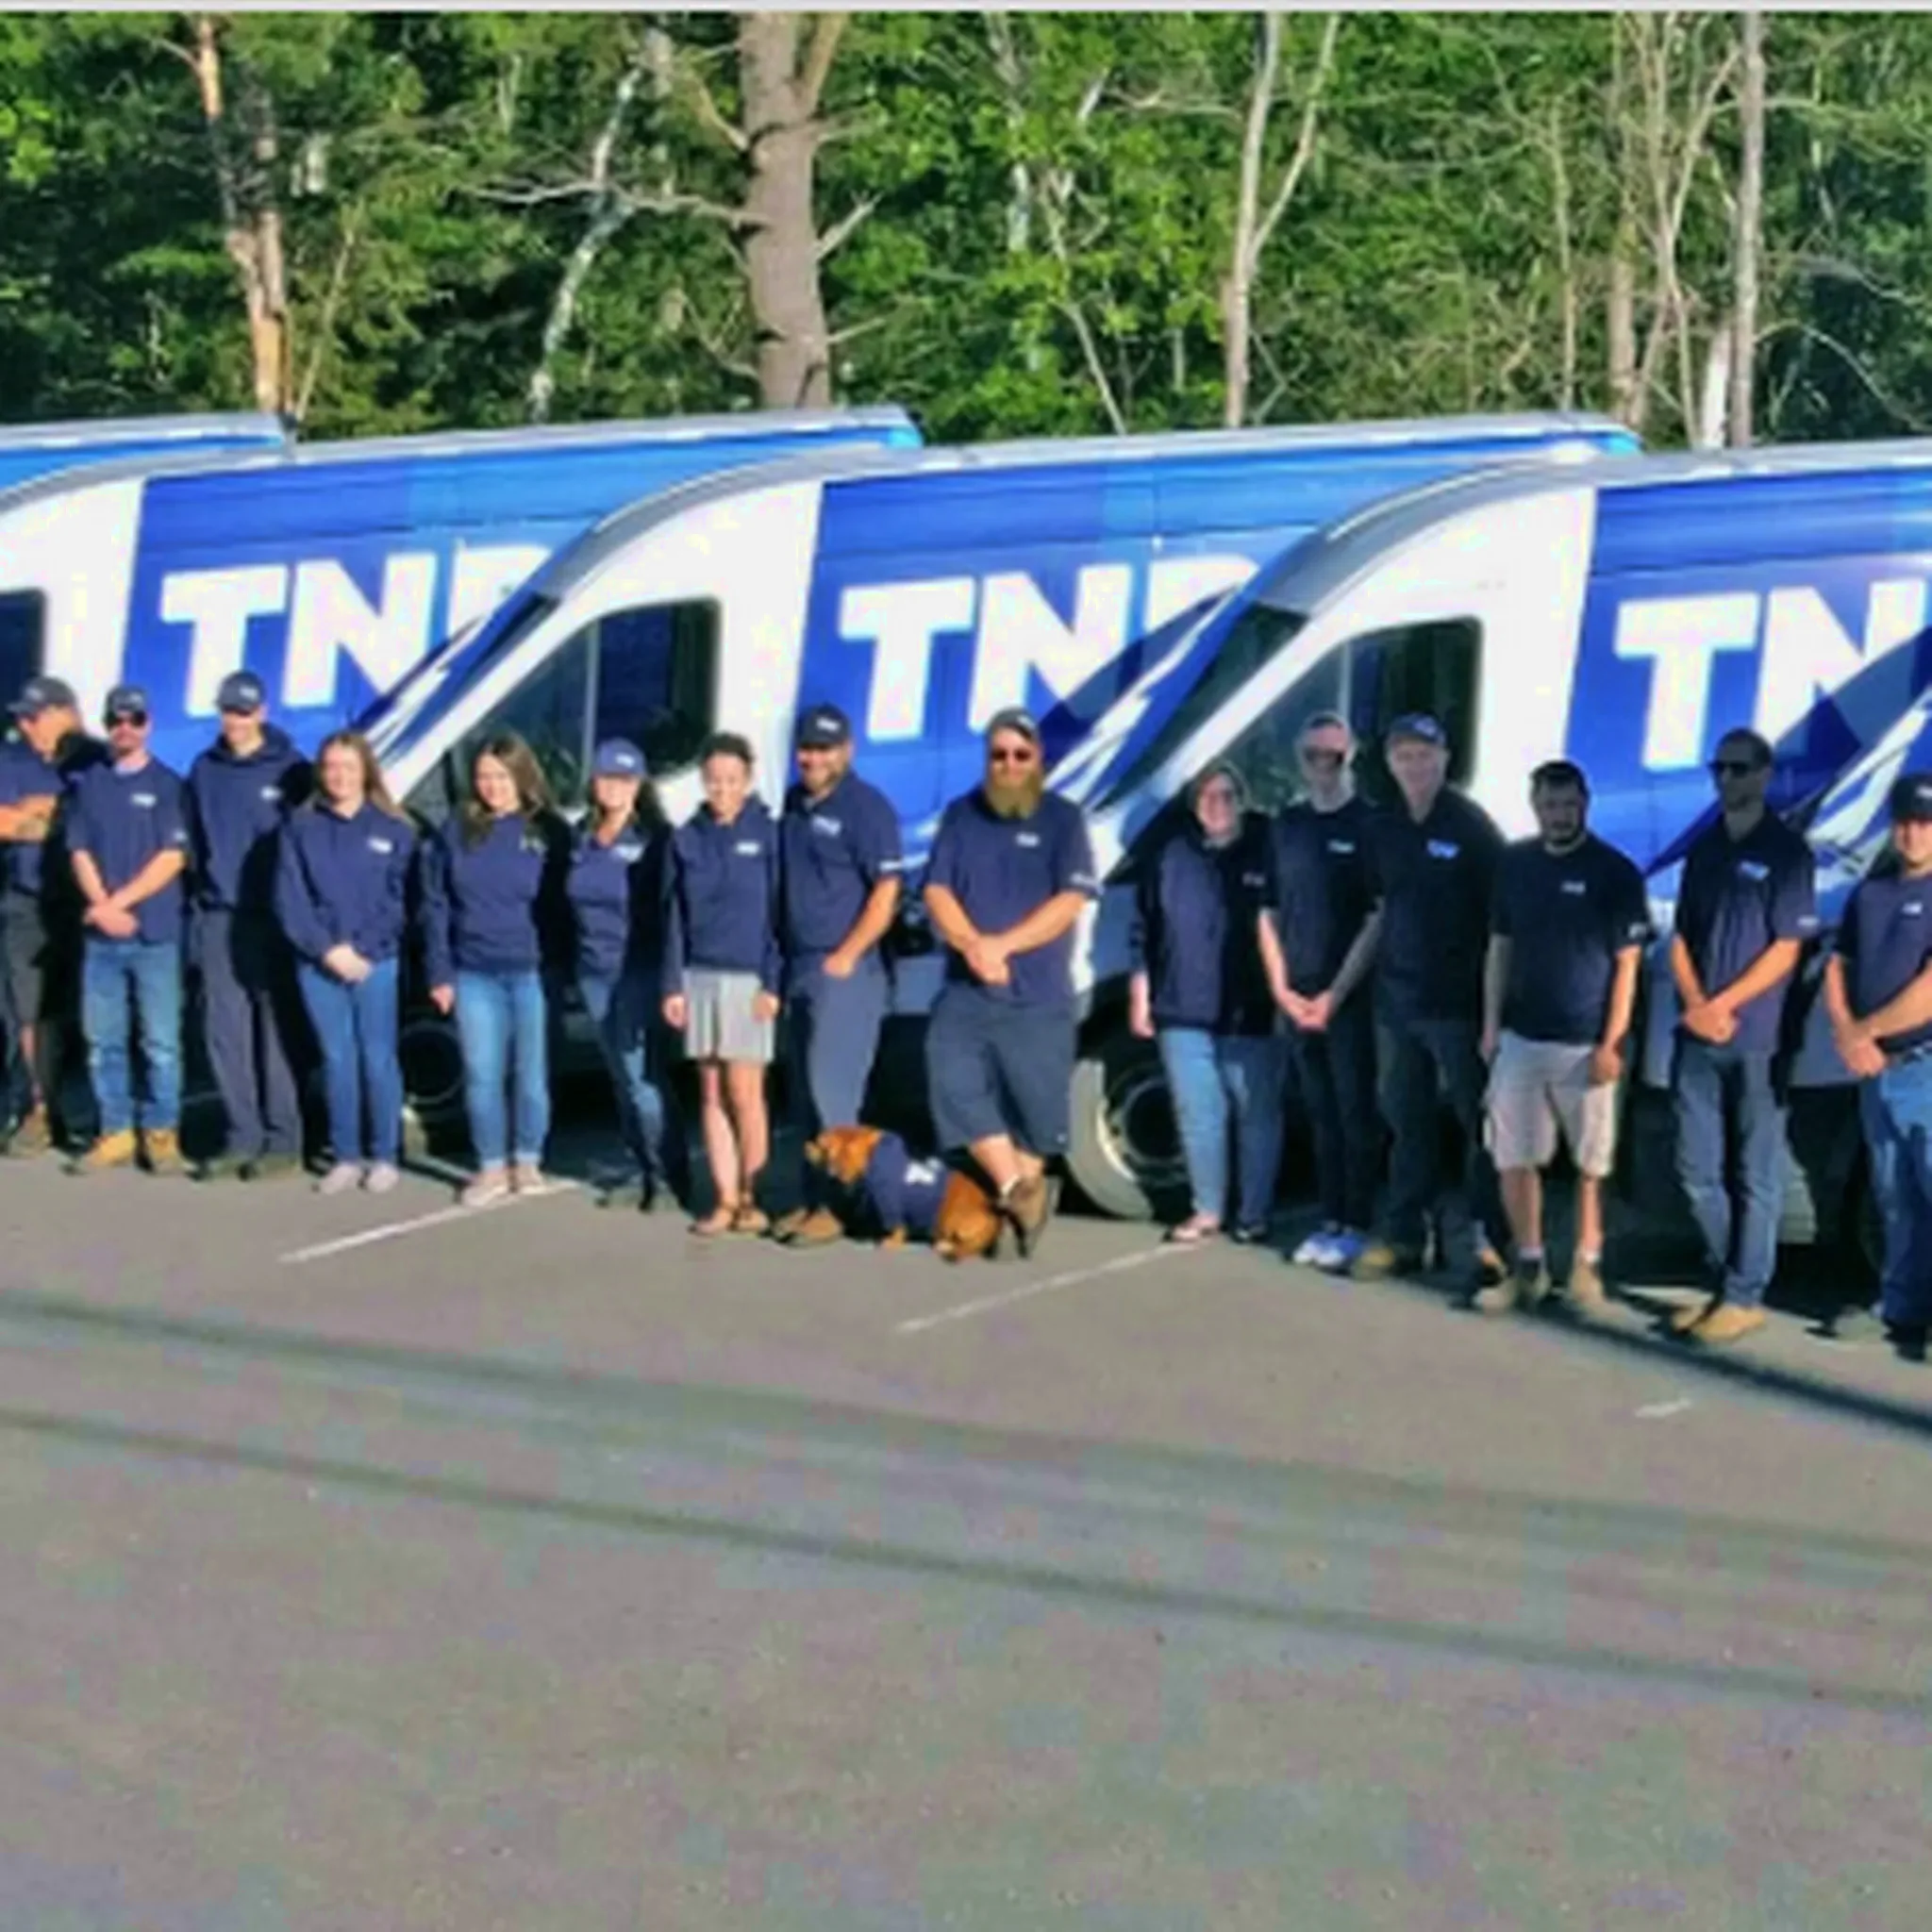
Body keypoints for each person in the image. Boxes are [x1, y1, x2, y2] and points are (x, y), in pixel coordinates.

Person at [923, 707, 1100, 1256]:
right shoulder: (961, 815)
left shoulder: (1064, 819)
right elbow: (936, 890)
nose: (1009, 764)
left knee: (1035, 1109)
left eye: (1021, 755)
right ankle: (1015, 1190)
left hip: (1038, 993)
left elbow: (1070, 900)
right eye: (999, 755)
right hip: (967, 990)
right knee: (950, 1078)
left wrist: (1003, 945)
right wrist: (973, 945)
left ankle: (1018, 1210)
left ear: (1038, 758)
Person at [1478, 759, 1651, 1316]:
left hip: (1586, 1043)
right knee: (1514, 1156)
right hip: (1521, 1038)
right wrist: (1490, 1025)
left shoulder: (1615, 872)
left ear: (1585, 805)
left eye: (1569, 805)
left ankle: (1586, 1267)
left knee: (1591, 1166)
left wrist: (1612, 1043)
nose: (1560, 815)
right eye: (1550, 805)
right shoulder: (1515, 865)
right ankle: (1528, 1267)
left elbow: (1628, 965)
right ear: (1536, 808)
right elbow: (1499, 948)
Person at [1667, 726, 1818, 1346]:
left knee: (1755, 1173)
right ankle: (1727, 1279)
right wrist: (1696, 1005)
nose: (1728, 779)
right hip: (1698, 1035)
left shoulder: (1788, 853)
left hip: (1757, 1037)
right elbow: (1680, 936)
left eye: (1740, 768)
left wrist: (1723, 1004)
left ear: (1764, 774)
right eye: (1720, 769)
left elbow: (1788, 948)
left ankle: (1743, 1295)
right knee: (1696, 1169)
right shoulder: (1705, 850)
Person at [1354, 712, 1509, 1292]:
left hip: (1458, 1007)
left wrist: (1493, 1014)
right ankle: (1403, 1236)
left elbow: (1502, 926)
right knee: (1405, 1123)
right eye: (1403, 756)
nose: (1414, 765)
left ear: (1444, 760)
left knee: (1478, 1126)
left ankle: (1489, 1240)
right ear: (1390, 763)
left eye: (1424, 755)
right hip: (1396, 1004)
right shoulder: (1383, 827)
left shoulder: (1472, 828)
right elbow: (1378, 910)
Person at [1129, 761, 1282, 1243]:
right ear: (1194, 804)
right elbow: (1144, 930)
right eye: (1207, 797)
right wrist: (1140, 993)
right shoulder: (1170, 855)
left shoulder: (1268, 849)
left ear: (1244, 800)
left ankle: (1253, 1213)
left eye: (1227, 796)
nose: (1217, 806)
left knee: (1257, 1115)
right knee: (1199, 1115)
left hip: (1250, 1008)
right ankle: (1207, 1210)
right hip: (1181, 1006)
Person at [773, 702, 905, 1246]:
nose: (814, 758)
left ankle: (838, 1207)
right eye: (806, 748)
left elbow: (887, 890)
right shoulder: (793, 804)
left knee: (834, 1096)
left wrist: (848, 953)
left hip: (845, 970)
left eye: (824, 749)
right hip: (799, 966)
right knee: (803, 1096)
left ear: (846, 751)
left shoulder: (867, 808)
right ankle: (810, 1199)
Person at [423, 732, 570, 1208]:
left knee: (532, 1075)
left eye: (502, 777)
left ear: (522, 776)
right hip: (474, 972)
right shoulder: (457, 829)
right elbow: (436, 904)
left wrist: (564, 965)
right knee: (482, 1074)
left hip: (533, 973)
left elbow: (566, 905)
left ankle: (527, 1159)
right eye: (484, 777)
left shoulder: (548, 830)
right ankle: (489, 1167)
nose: (492, 787)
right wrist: (439, 971)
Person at [1257, 710, 1382, 1273]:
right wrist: (1282, 988)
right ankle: (1330, 1220)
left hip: (1349, 996)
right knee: (1320, 1114)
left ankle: (1358, 1224)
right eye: (1313, 755)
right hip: (1297, 994)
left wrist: (1336, 992)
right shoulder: (1287, 826)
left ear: (1350, 757)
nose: (1323, 765)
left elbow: (1378, 917)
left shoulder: (1370, 824)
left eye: (1334, 755)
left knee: (1356, 1114)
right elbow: (1267, 912)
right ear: (1300, 760)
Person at [184, 670, 311, 1180]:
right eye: (228, 711)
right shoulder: (204, 769)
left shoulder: (292, 769)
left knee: (274, 1029)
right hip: (219, 914)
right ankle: (242, 1135)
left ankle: (284, 1138)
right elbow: (193, 844)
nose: (235, 720)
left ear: (261, 711)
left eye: (244, 711)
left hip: (273, 916)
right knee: (225, 1030)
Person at [275, 731, 414, 1193]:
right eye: (331, 766)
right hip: (319, 963)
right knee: (337, 1059)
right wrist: (325, 950)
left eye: (348, 767)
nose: (339, 776)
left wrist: (365, 950)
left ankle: (385, 1155)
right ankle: (346, 1155)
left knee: (378, 1058)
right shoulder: (300, 828)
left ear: (365, 771)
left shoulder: (393, 829)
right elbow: (290, 898)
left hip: (377, 963)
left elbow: (400, 900)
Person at [1824, 772, 1932, 1363]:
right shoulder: (1870, 893)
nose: (1914, 834)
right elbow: (1837, 965)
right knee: (1895, 1196)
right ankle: (1901, 1305)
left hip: (1925, 1064)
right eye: (1905, 822)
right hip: (1877, 1071)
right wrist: (1847, 1032)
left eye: (1926, 823)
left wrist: (1862, 1032)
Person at [64, 684, 191, 1174]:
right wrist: (101, 907)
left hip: (153, 933)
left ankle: (161, 1133)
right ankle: (115, 1131)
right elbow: (79, 850)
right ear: (106, 725)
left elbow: (172, 857)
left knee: (161, 1043)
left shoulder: (168, 785)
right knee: (104, 1042)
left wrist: (116, 904)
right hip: (102, 939)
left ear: (148, 724)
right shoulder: (90, 784)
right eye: (116, 720)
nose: (125, 729)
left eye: (134, 720)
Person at [662, 731, 782, 1237]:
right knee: (710, 1092)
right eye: (714, 780)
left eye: (732, 780)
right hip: (700, 977)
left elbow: (780, 916)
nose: (723, 789)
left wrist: (772, 982)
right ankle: (725, 1199)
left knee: (745, 1092)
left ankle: (754, 1196)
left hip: (749, 979)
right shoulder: (686, 838)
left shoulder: (769, 836)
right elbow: (673, 917)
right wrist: (673, 984)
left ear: (748, 780)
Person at [567, 738, 682, 1214]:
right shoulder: (582, 835)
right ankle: (642, 1166)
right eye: (606, 777)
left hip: (637, 970)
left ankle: (668, 1174)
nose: (613, 787)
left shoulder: (655, 839)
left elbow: (671, 911)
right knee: (618, 1077)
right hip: (592, 971)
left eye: (624, 778)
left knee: (642, 1079)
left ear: (639, 784)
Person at [0, 675, 105, 1155]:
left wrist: (46, 814)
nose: (26, 726)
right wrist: (44, 818)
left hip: (88, 903)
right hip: (27, 902)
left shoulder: (96, 759)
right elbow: (6, 823)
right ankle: (38, 1109)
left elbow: (105, 822)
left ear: (68, 713)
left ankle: (89, 1111)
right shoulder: (11, 761)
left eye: (35, 717)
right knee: (30, 1011)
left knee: (85, 1011)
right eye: (22, 718)